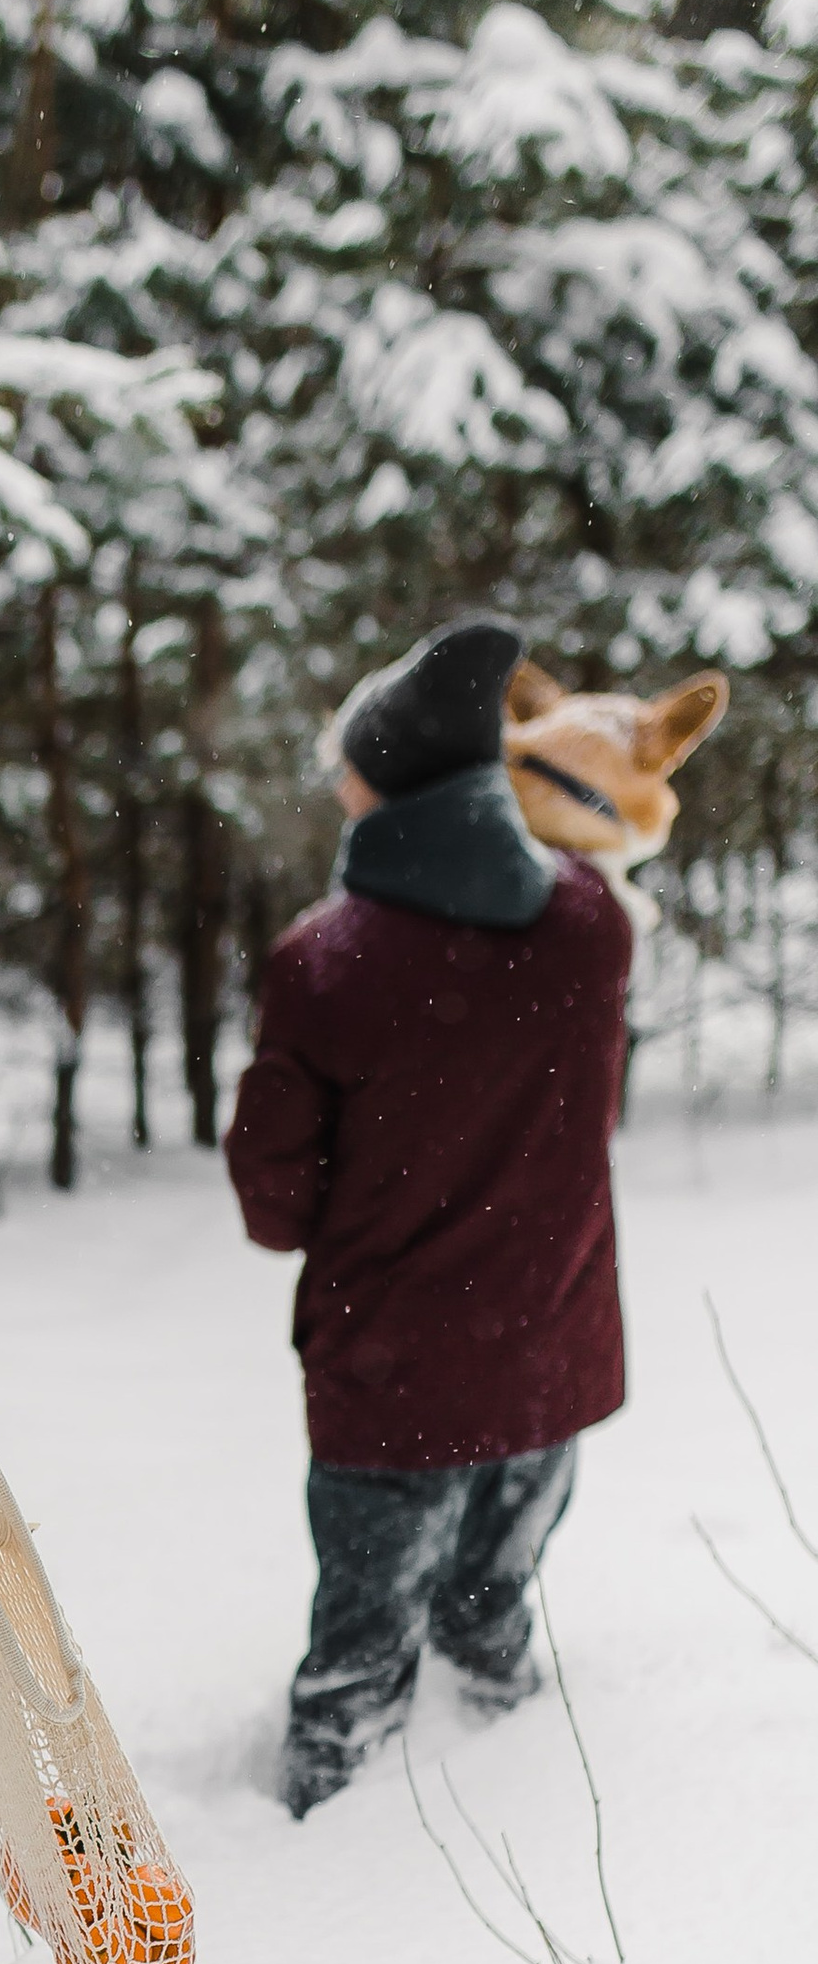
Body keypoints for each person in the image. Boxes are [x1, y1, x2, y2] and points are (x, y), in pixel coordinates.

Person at [223, 615, 631, 1817]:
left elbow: (273, 1205)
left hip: (393, 1383)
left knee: (355, 1673)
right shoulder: (590, 924)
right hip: (551, 1357)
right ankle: (505, 1774)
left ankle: (322, 1859)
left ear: (380, 782)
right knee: (488, 1623)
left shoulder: (324, 963)